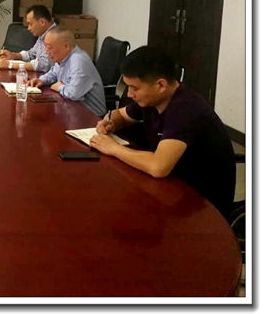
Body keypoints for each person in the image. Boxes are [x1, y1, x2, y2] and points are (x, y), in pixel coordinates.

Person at [89, 46, 235, 219]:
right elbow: (120, 114)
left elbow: (158, 167)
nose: (130, 94)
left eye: (134, 88)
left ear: (161, 85)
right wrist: (110, 122)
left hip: (202, 206)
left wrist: (113, 148)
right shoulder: (152, 99)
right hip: (173, 186)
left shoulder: (185, 109)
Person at [29, 26, 106, 117]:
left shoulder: (78, 60)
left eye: (49, 47)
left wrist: (60, 87)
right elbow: (54, 73)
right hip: (72, 109)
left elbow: (74, 93)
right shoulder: (63, 57)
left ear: (66, 46)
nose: (46, 52)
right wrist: (42, 80)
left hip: (92, 116)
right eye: (45, 47)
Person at [0, 4, 56, 72]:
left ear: (42, 22)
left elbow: (43, 64)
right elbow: (31, 54)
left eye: (30, 24)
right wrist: (13, 55)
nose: (29, 28)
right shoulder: (42, 35)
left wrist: (10, 65)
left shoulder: (55, 35)